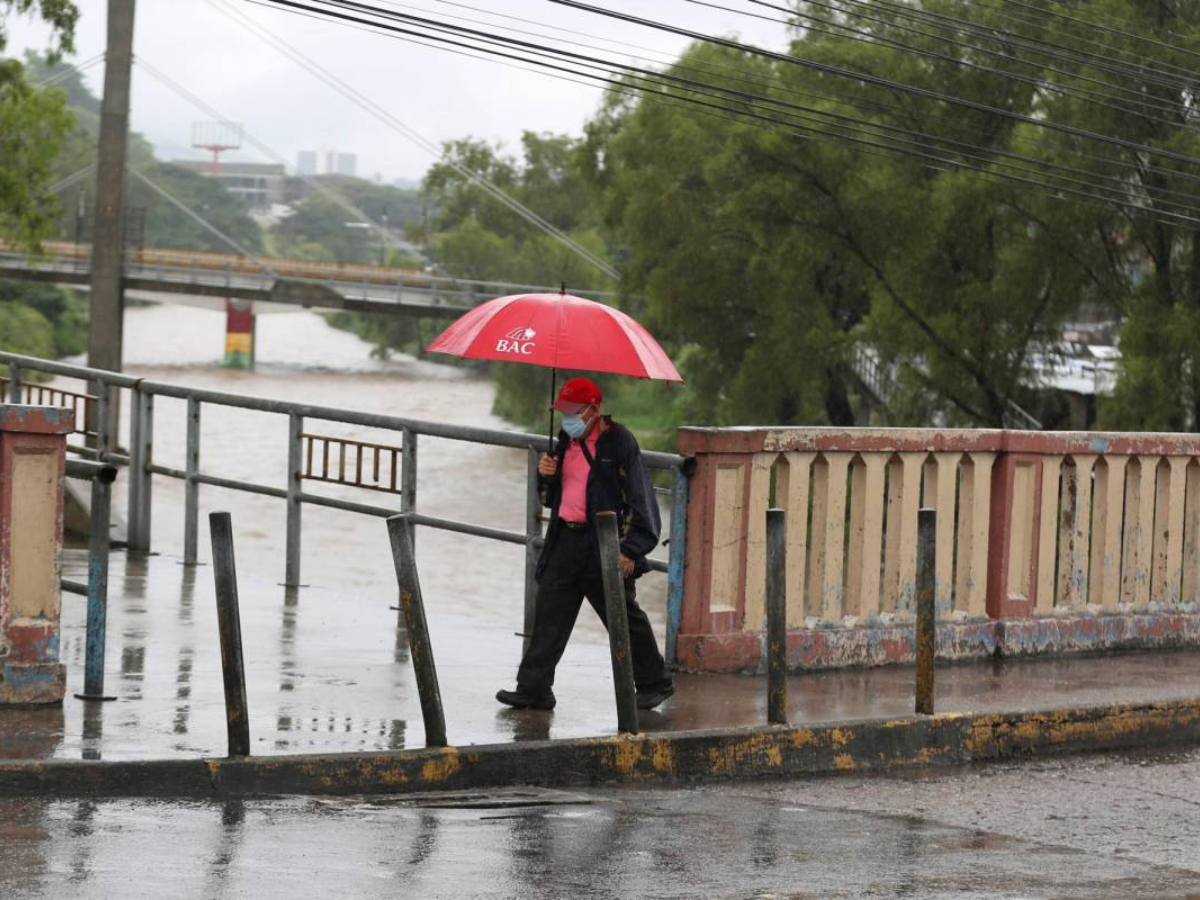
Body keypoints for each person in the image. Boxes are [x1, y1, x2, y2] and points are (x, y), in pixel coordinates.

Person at [496, 376, 675, 712]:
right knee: (549, 615)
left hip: (603, 545)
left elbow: (642, 501)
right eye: (562, 411)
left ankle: (655, 682)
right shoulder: (566, 439)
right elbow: (553, 498)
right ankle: (534, 689)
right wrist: (546, 474)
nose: (566, 418)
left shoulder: (620, 442)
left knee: (622, 616)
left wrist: (630, 550)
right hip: (564, 539)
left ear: (594, 409)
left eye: (572, 411)